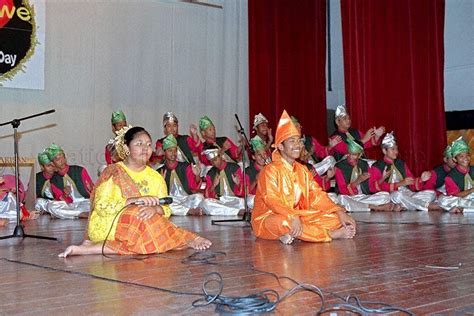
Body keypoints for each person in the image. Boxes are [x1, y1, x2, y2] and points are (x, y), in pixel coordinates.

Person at [58, 127, 211, 258]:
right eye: (139, 144)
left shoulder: (156, 177)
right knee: (137, 214)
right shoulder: (113, 172)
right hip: (109, 224)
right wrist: (134, 201)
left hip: (146, 223)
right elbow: (102, 207)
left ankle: (95, 249)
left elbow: (166, 209)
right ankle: (183, 240)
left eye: (149, 145)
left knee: (146, 216)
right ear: (126, 148)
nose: (145, 148)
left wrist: (155, 209)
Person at [251, 110, 356, 245]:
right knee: (285, 222)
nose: (298, 145)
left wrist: (339, 211)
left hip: (298, 216)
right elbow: (272, 200)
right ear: (280, 146)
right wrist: (291, 215)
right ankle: (328, 235)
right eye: (292, 141)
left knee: (334, 219)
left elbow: (317, 195)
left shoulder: (302, 170)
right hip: (269, 218)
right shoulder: (270, 170)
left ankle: (291, 234)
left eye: (299, 141)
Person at [369, 132, 436, 211]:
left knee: (431, 194)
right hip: (392, 195)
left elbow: (411, 183)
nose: (396, 152)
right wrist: (400, 183)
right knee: (396, 195)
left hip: (406, 194)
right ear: (384, 151)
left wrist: (421, 180)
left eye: (396, 148)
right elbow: (372, 188)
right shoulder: (377, 166)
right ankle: (426, 206)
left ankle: (404, 206)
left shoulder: (400, 164)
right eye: (393, 149)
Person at [334, 138, 395, 212]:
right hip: (349, 197)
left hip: (363, 197)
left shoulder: (364, 165)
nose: (350, 156)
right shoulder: (339, 166)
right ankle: (376, 207)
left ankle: (360, 207)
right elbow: (342, 190)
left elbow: (371, 188)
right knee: (341, 199)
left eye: (354, 154)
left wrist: (383, 177)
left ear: (360, 155)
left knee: (385, 196)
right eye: (349, 153)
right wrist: (358, 181)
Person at [157, 134, 205, 216]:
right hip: (172, 200)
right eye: (170, 151)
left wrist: (197, 175)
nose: (173, 153)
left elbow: (193, 188)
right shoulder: (160, 171)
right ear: (164, 152)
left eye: (175, 150)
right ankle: (188, 211)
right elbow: (159, 194)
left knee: (199, 197)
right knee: (163, 204)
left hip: (186, 198)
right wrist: (161, 181)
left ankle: (181, 210)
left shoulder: (186, 167)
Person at [44, 143, 93, 219]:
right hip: (69, 205)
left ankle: (68, 215)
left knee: (94, 204)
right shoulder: (54, 180)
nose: (62, 161)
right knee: (51, 206)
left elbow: (92, 190)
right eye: (57, 159)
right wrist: (65, 195)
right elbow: (61, 199)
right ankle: (79, 214)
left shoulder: (80, 170)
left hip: (85, 202)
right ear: (52, 163)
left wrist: (91, 188)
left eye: (63, 157)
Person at [200, 146, 251, 215]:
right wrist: (214, 185)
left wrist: (238, 183)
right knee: (206, 203)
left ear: (220, 156)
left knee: (243, 202)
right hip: (220, 201)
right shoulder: (210, 173)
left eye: (215, 160)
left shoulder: (234, 168)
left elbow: (244, 191)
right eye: (211, 162)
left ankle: (225, 211)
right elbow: (207, 195)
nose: (214, 163)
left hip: (234, 200)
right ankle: (237, 212)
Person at [438, 137, 474, 213]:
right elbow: (455, 195)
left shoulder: (473, 169)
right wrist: (471, 190)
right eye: (461, 156)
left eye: (467, 155)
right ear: (455, 159)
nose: (465, 158)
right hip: (462, 199)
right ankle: (465, 209)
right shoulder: (450, 177)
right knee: (444, 200)